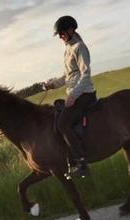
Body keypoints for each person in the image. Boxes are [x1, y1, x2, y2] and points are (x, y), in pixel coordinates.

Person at [45, 15, 97, 178]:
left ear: (71, 30)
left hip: (84, 93)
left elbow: (85, 75)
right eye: (59, 34)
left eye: (62, 33)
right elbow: (68, 76)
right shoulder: (68, 49)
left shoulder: (80, 47)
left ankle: (81, 163)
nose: (60, 36)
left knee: (63, 124)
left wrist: (73, 95)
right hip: (75, 92)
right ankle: (70, 158)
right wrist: (52, 84)